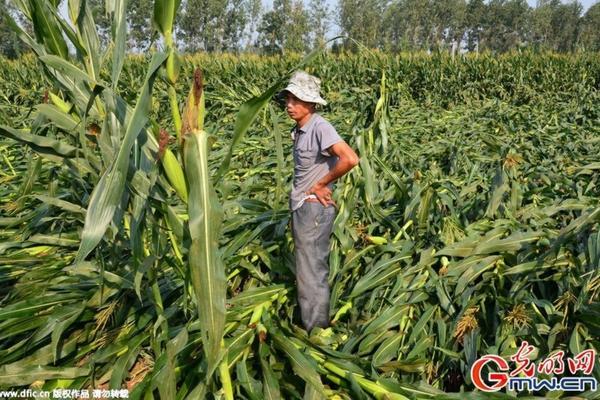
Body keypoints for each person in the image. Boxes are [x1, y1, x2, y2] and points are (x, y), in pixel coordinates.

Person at [280, 71, 359, 333]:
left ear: (311, 104)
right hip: (304, 207)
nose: (290, 105)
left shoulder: (319, 126)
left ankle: (317, 333)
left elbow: (350, 158)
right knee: (307, 270)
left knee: (311, 273)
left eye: (297, 100)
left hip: (312, 209)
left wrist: (320, 184)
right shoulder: (301, 129)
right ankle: (315, 325)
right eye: (288, 99)